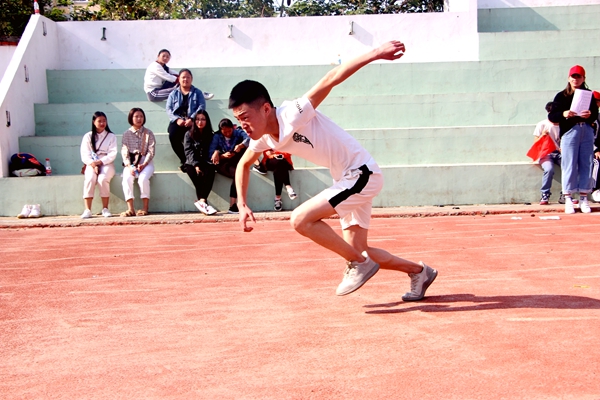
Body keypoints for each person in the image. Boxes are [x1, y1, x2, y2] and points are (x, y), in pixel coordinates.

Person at [231, 40, 438, 301]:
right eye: (239, 120)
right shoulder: (263, 139)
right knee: (358, 249)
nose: (243, 125)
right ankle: (420, 272)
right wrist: (242, 205)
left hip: (361, 173)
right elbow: (244, 164)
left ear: (265, 108)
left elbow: (331, 78)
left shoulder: (292, 113)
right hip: (346, 179)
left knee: (300, 219)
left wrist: (376, 53)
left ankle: (357, 264)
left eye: (246, 117)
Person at [548, 65, 599, 214]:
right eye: (573, 76)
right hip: (570, 131)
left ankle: (584, 197)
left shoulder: (588, 94)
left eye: (579, 76)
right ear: (568, 78)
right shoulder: (561, 96)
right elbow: (552, 116)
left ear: (584, 78)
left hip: (586, 130)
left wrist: (590, 114)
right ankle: (568, 198)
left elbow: (595, 114)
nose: (575, 79)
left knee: (586, 163)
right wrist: (564, 113)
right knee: (569, 164)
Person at [166, 69, 207, 172]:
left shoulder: (197, 93)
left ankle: (196, 162)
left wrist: (192, 118)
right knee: (172, 135)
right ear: (179, 79)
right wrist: (177, 119)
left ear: (191, 79)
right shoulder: (173, 93)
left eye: (188, 77)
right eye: (183, 77)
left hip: (193, 121)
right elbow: (169, 109)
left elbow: (201, 106)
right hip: (178, 121)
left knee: (193, 137)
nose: (185, 79)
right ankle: (185, 160)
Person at [80, 111, 118, 219]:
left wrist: (100, 162)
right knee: (90, 179)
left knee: (103, 179)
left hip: (106, 163)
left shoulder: (111, 136)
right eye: (99, 121)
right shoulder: (88, 136)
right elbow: (84, 154)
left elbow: (112, 153)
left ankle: (105, 208)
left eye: (104, 121)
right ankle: (87, 210)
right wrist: (93, 164)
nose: (102, 123)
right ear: (93, 122)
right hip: (91, 163)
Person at [120, 108, 156, 217]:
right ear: (131, 118)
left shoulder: (149, 133)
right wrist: (129, 166)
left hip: (146, 162)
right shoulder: (126, 134)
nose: (139, 119)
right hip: (131, 163)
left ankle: (145, 207)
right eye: (136, 116)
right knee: (126, 179)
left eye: (141, 116)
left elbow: (151, 151)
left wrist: (144, 164)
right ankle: (130, 209)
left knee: (143, 179)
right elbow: (124, 151)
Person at [209, 118, 250, 214]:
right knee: (237, 175)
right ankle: (233, 205)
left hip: (234, 161)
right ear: (220, 130)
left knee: (238, 174)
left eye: (229, 131)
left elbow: (249, 139)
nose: (227, 133)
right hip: (222, 162)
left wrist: (241, 145)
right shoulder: (217, 136)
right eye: (224, 132)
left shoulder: (237, 132)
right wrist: (221, 155)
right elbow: (210, 153)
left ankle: (233, 205)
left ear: (233, 128)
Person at [144, 49, 214, 102]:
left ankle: (199, 93)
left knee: (182, 82)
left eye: (168, 57)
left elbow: (175, 73)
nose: (165, 58)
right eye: (163, 56)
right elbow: (168, 77)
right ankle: (200, 95)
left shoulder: (165, 67)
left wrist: (184, 77)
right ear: (158, 56)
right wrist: (182, 80)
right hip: (153, 93)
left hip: (160, 89)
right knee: (180, 89)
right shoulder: (155, 66)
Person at [184, 110, 218, 215]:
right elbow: (188, 151)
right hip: (191, 162)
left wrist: (217, 151)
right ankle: (204, 203)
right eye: (198, 119)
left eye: (203, 119)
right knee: (198, 176)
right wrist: (196, 165)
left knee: (211, 170)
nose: (200, 122)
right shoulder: (188, 134)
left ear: (207, 121)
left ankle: (202, 201)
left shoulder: (211, 135)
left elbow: (215, 147)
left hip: (206, 161)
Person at [532, 102, 561, 205]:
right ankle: (545, 194)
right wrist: (542, 136)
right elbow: (536, 143)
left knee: (570, 167)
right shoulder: (542, 124)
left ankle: (566, 194)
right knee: (549, 169)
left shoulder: (563, 124)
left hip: (559, 153)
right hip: (546, 153)